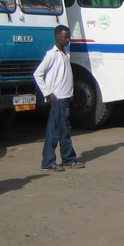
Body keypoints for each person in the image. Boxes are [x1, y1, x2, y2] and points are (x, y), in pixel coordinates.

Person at [34, 25, 84, 172]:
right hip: (59, 99)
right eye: (65, 37)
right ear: (57, 37)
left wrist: (71, 92)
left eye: (69, 37)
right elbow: (37, 74)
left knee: (54, 130)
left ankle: (49, 161)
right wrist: (47, 92)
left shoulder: (65, 54)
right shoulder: (52, 54)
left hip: (65, 97)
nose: (68, 39)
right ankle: (68, 159)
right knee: (63, 130)